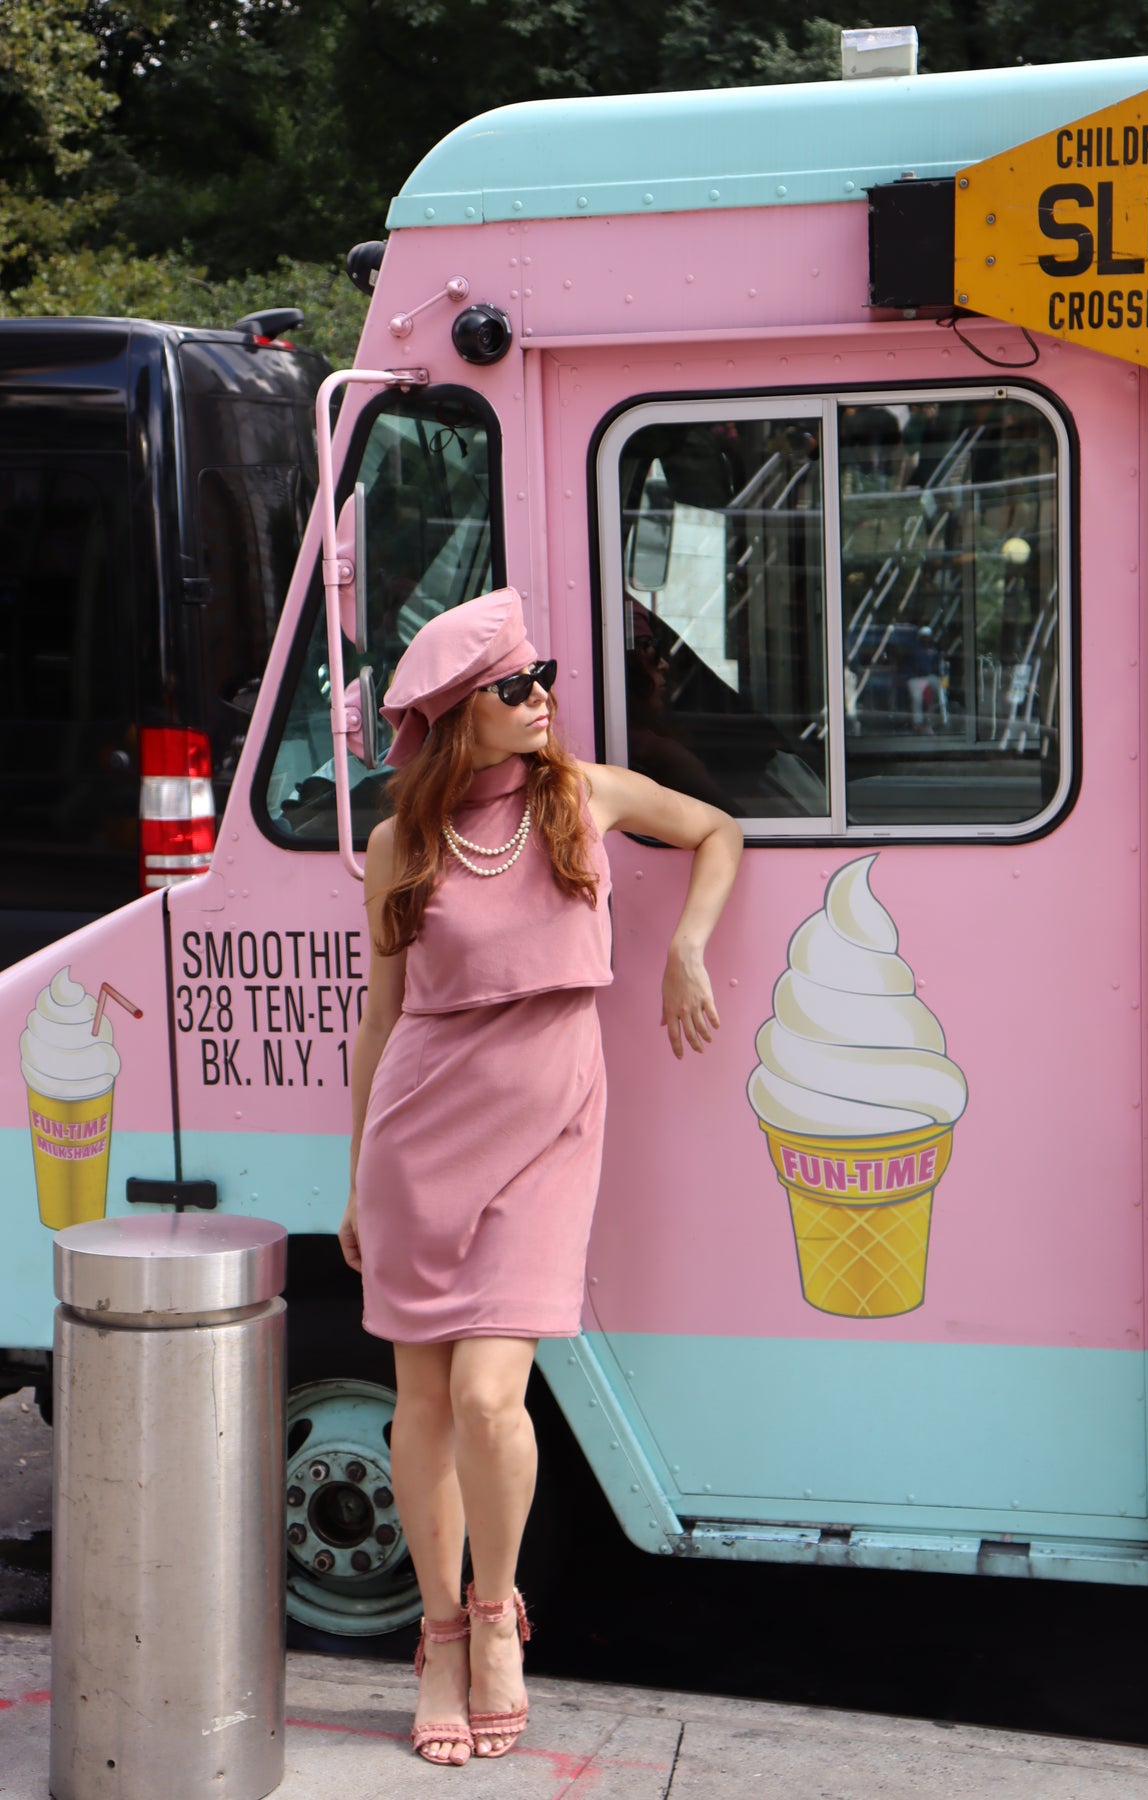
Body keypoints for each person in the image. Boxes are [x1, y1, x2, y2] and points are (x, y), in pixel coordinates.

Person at [337, 587, 742, 1766]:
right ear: (460, 713)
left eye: (541, 675)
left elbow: (716, 831)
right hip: (419, 1135)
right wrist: (356, 1179)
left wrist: (686, 950)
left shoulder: (584, 794)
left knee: (486, 1398)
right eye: (515, 685)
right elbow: (381, 1019)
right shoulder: (400, 844)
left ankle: (495, 1612)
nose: (542, 697)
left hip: (552, 1131)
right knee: (420, 1405)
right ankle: (438, 1638)